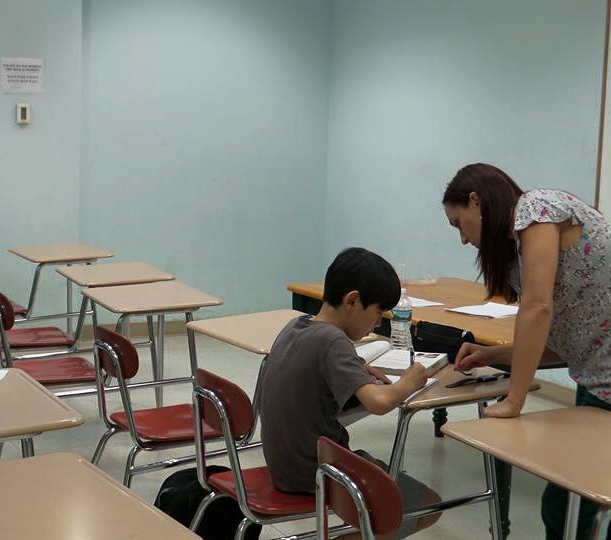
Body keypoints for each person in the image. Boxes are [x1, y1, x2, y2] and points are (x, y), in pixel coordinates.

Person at [442, 162, 611, 540]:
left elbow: (538, 307)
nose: (463, 239)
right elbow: (564, 345)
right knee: (565, 507)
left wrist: (514, 400)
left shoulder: (536, 209)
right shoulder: (515, 253)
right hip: (597, 379)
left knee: (573, 504)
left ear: (476, 201)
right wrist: (492, 356)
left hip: (603, 381)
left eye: (458, 224)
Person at [260, 247, 440, 539]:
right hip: (319, 471)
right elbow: (379, 403)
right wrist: (409, 381)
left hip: (283, 466)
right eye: (378, 313)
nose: (378, 324)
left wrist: (356, 367)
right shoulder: (333, 341)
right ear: (353, 301)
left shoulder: (296, 325)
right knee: (429, 505)